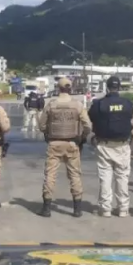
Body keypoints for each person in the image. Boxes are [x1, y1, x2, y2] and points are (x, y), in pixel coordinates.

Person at [38, 77, 92, 218]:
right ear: (70, 88)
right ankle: (77, 208)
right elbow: (88, 126)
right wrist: (82, 137)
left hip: (54, 143)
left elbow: (41, 125)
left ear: (58, 88)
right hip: (72, 143)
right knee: (75, 175)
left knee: (50, 174)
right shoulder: (77, 105)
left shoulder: (51, 105)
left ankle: (47, 208)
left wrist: (48, 132)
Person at [88, 76, 133, 217]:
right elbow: (129, 117)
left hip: (104, 144)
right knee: (122, 177)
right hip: (123, 145)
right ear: (119, 87)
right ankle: (123, 208)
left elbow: (92, 117)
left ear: (107, 87)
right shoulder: (127, 104)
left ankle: (106, 208)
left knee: (105, 176)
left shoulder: (99, 104)